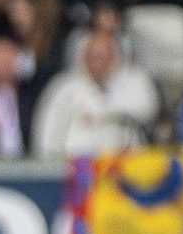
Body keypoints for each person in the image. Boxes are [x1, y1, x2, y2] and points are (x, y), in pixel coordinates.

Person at [31, 26, 160, 157]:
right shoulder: (63, 86)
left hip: (124, 165)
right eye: (92, 55)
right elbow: (48, 130)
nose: (96, 61)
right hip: (78, 167)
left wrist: (99, 111)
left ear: (114, 56)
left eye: (102, 55)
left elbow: (146, 109)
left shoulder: (135, 81)